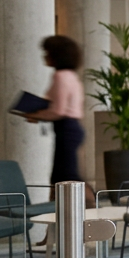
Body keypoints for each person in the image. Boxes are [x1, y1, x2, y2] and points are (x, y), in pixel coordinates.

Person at [23, 36, 85, 186]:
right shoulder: (72, 76)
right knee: (64, 175)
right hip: (72, 128)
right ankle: (83, 206)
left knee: (66, 177)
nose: (44, 56)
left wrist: (35, 115)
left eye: (47, 52)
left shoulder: (60, 76)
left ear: (56, 55)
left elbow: (59, 110)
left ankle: (91, 205)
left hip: (66, 129)